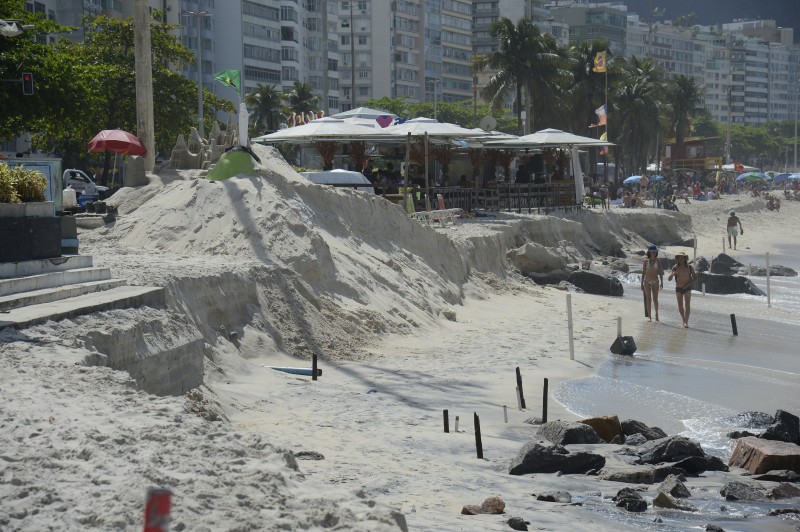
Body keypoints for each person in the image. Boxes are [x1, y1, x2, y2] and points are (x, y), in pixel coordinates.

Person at [668, 251, 697, 328]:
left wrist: (687, 285)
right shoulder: (675, 267)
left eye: (682, 257)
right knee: (680, 306)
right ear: (677, 259)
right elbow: (669, 279)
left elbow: (695, 278)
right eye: (679, 257)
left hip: (687, 288)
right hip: (679, 288)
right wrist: (672, 274)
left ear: (685, 258)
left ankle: (686, 322)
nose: (680, 259)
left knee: (687, 304)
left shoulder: (690, 267)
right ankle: (683, 320)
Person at [640, 245, 664, 322]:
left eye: (654, 252)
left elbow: (660, 272)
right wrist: (641, 283)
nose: (653, 253)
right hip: (646, 281)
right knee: (648, 299)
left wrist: (662, 282)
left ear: (656, 252)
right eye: (651, 252)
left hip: (655, 281)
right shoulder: (645, 261)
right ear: (649, 252)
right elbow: (643, 272)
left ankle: (656, 314)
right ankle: (649, 316)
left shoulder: (659, 261)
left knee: (655, 299)